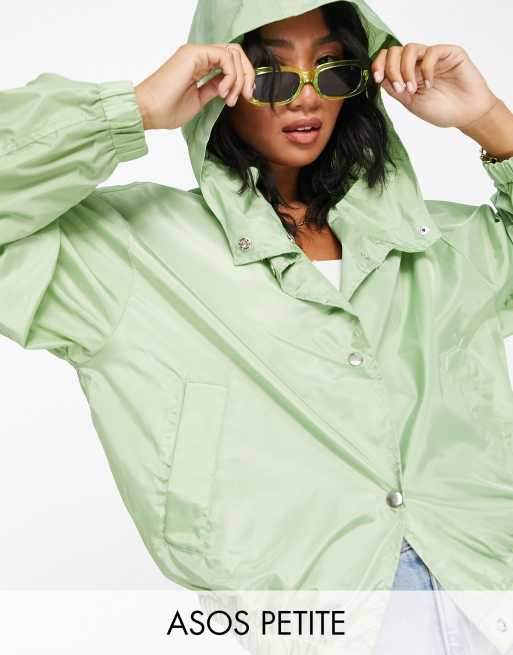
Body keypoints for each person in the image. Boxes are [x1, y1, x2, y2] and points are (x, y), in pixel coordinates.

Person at [2, 1, 513, 653]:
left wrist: (488, 119)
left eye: (332, 69)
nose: (305, 97)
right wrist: (133, 110)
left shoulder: (437, 243)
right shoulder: (132, 251)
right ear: (222, 79)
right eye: (271, 75)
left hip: (487, 588)